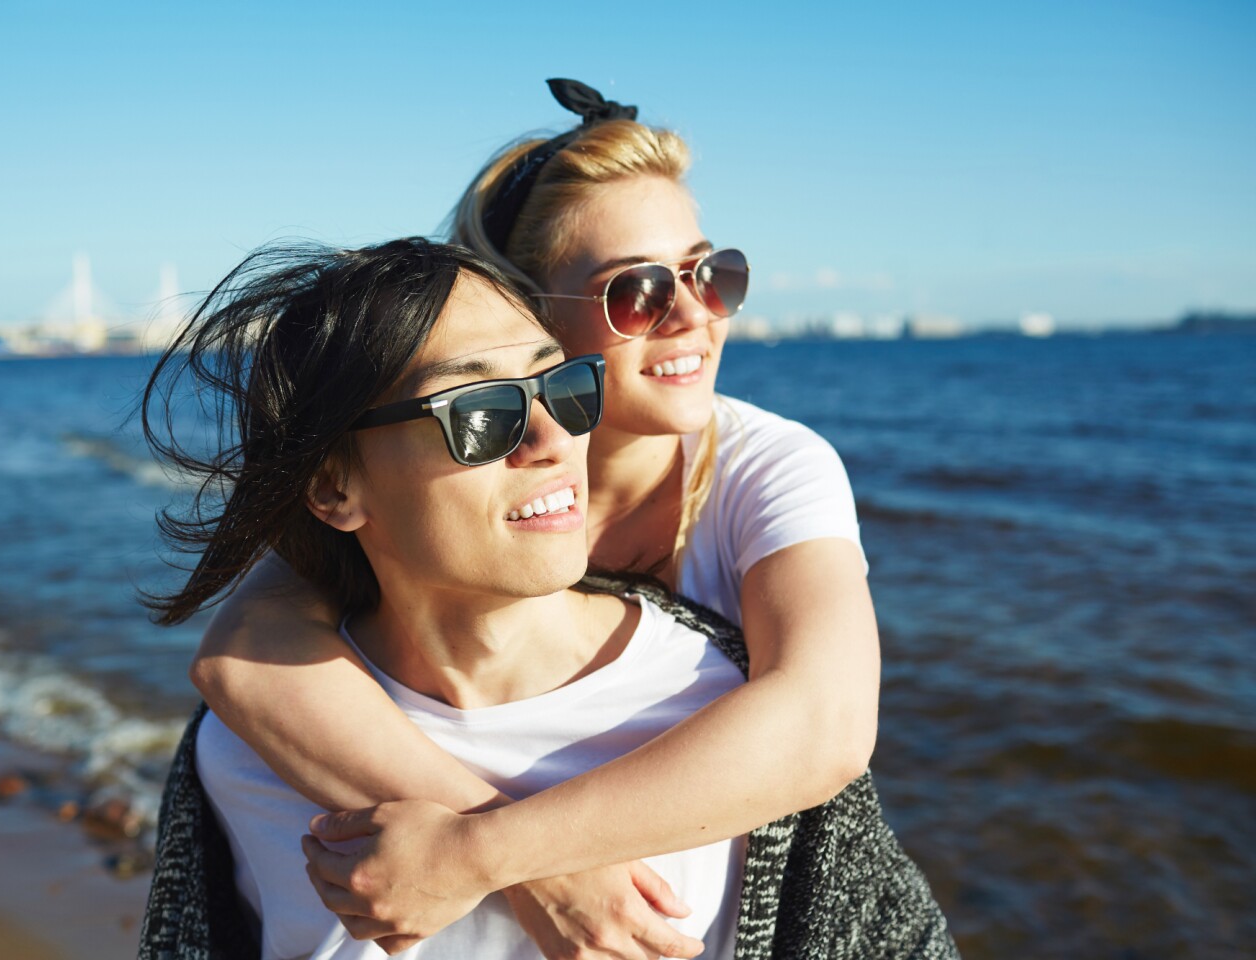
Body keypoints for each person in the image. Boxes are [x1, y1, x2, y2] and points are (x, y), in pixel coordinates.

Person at [187, 81, 902, 956]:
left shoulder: (766, 467)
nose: (692, 316)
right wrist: (534, 871)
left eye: (712, 275)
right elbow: (249, 656)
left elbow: (823, 724)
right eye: (635, 292)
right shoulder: (426, 476)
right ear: (520, 302)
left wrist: (487, 854)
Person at [145, 238, 769, 958]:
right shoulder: (250, 751)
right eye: (479, 413)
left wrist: (487, 851)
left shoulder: (715, 709)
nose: (552, 438)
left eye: (562, 386)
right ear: (332, 487)